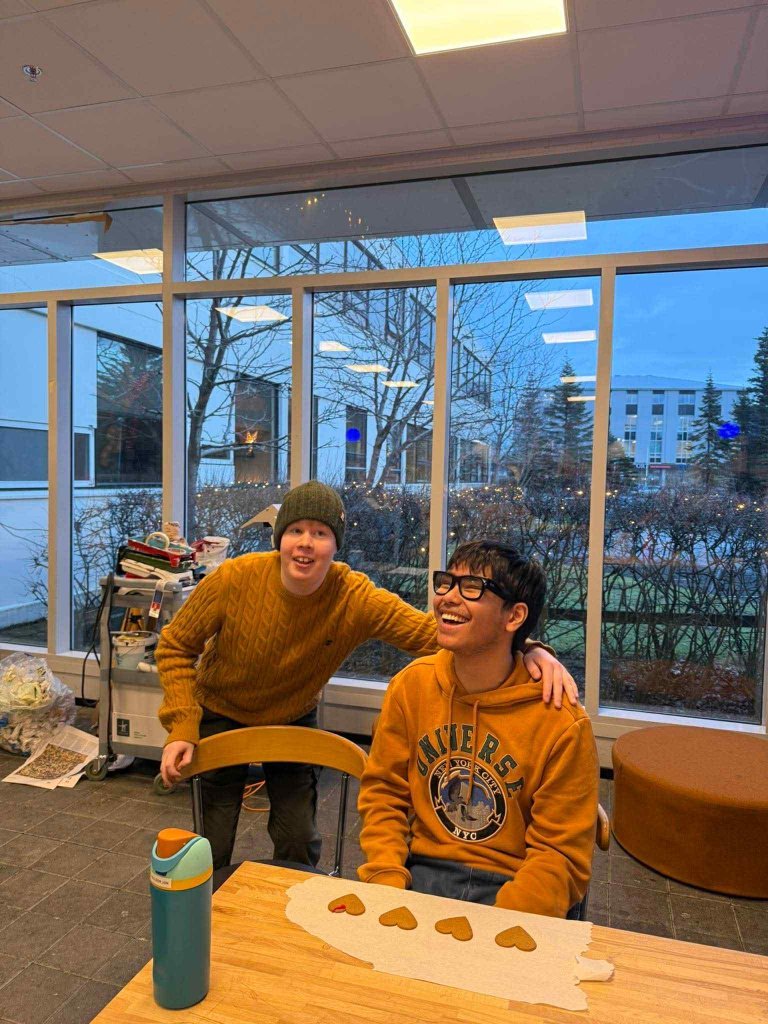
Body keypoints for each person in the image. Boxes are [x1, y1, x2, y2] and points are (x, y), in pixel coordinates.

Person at [156, 482, 578, 872]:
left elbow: (435, 634)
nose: (305, 543)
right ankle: (203, 915)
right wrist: (182, 725)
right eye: (295, 531)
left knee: (298, 836)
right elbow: (175, 646)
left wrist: (528, 647)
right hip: (220, 710)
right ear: (279, 539)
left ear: (335, 545)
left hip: (291, 715)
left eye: (320, 533)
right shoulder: (234, 579)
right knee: (211, 838)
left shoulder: (354, 596)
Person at [357, 540, 598, 918]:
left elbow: (558, 855)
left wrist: (501, 923)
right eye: (446, 583)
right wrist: (386, 880)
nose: (447, 597)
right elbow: (384, 795)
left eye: (472, 588)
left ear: (514, 616)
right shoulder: (411, 687)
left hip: (515, 884)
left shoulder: (560, 721)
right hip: (423, 872)